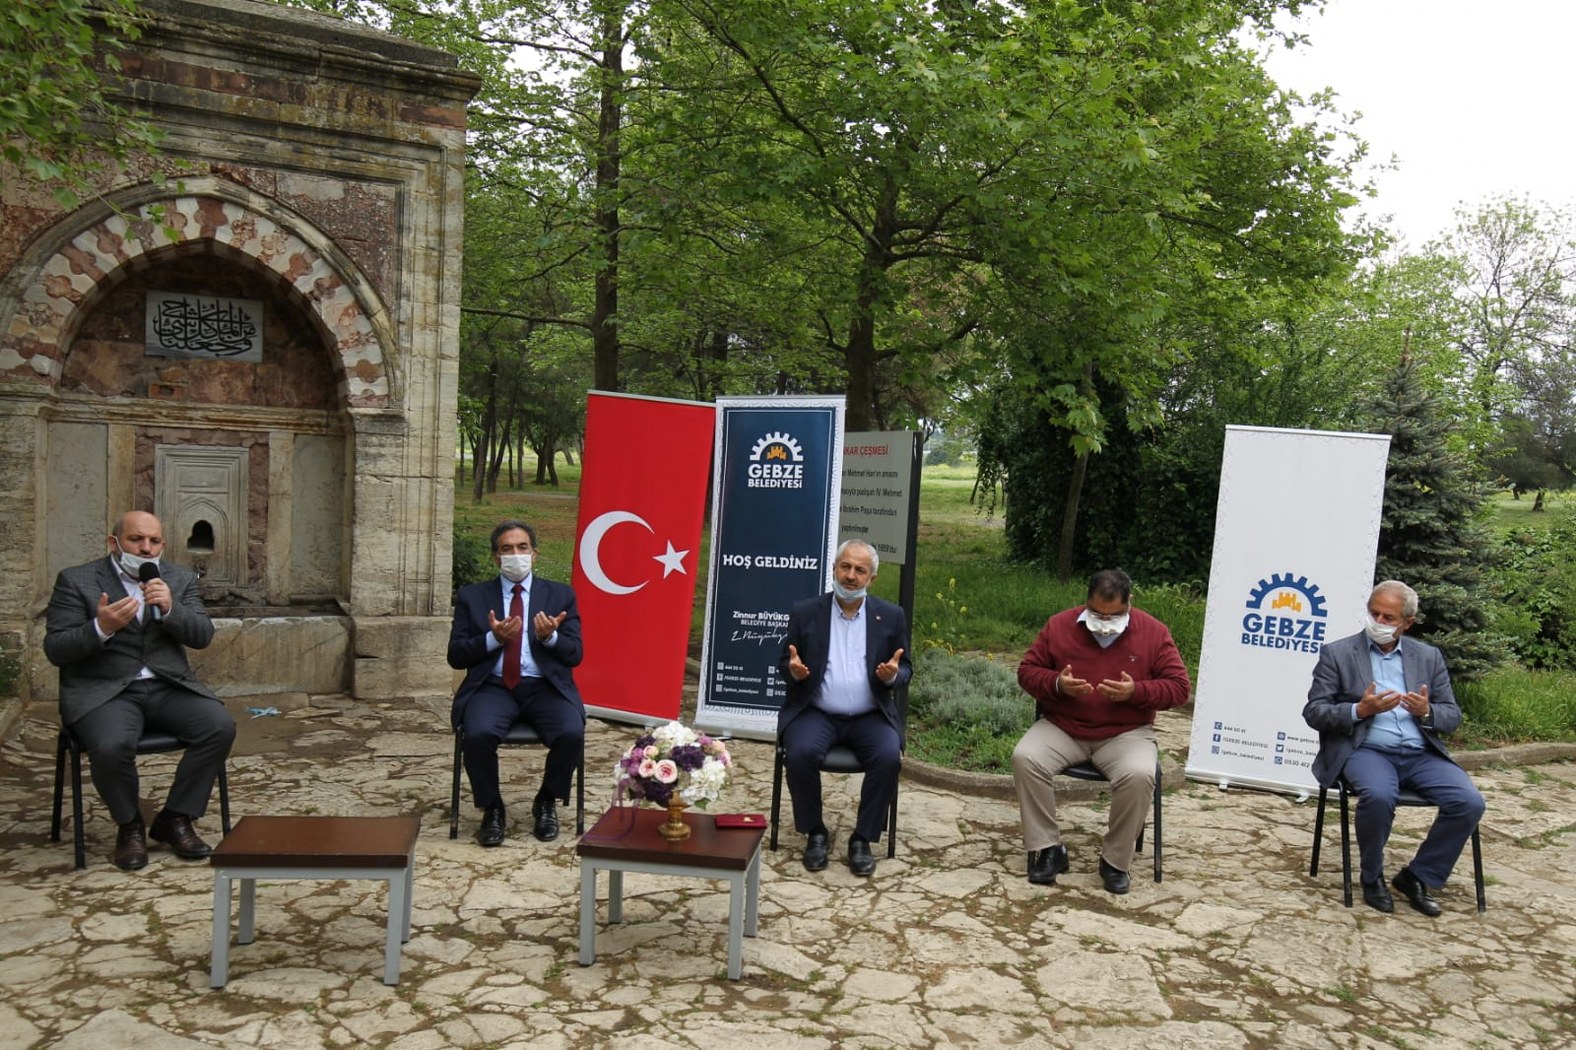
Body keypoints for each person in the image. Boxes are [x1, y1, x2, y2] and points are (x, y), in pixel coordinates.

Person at [43, 510, 236, 871]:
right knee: (111, 745)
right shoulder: (76, 580)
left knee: (219, 726)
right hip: (104, 691)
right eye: (136, 539)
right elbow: (56, 649)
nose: (146, 548)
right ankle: (130, 825)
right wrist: (100, 628)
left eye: (154, 541)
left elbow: (202, 635)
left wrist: (171, 608)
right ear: (114, 543)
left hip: (166, 685)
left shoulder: (178, 578)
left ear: (162, 545)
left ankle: (175, 818)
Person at [1303, 580, 1485, 916]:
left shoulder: (1428, 656)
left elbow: (1452, 715)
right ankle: (1372, 877)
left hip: (1420, 753)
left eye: (1388, 617)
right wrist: (1360, 710)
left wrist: (1427, 712)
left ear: (1408, 623)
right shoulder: (1338, 654)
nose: (1378, 622)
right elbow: (1314, 711)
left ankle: (1417, 876)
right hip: (1367, 750)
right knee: (1378, 795)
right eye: (1374, 613)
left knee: (1469, 802)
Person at [1012, 569, 1190, 894]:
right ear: (1087, 601)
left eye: (1115, 615)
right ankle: (1049, 848)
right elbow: (1027, 672)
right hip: (1063, 726)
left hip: (1126, 733)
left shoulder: (1153, 632)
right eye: (1097, 613)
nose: (1105, 621)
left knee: (1139, 774)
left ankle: (1114, 861)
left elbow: (1179, 687)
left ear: (1129, 603)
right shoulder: (1059, 625)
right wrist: (1057, 684)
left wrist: (1136, 692)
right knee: (1026, 757)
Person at [777, 539, 911, 877]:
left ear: (871, 579)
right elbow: (785, 662)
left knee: (888, 755)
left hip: (870, 715)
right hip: (817, 712)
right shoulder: (806, 612)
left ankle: (862, 838)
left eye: (860, 570)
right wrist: (794, 672)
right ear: (834, 569)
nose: (851, 576)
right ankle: (815, 832)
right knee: (799, 753)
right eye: (845, 567)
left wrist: (893, 676)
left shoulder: (890, 616)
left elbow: (906, 668)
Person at [448, 519, 584, 846]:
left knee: (571, 731)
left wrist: (550, 637)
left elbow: (575, 654)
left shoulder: (560, 595)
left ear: (534, 554)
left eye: (522, 547)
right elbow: (456, 655)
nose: (515, 555)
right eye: (507, 549)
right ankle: (492, 807)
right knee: (477, 734)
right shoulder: (472, 596)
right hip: (493, 687)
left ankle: (546, 800)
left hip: (545, 687)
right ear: (496, 557)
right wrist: (492, 639)